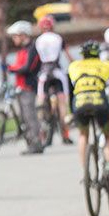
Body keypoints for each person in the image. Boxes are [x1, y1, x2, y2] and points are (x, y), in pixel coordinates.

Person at [67, 40, 109, 185]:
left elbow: (71, 92)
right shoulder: (106, 65)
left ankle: (85, 172)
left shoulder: (73, 66)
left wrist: (71, 111)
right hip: (99, 104)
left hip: (80, 104)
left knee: (83, 135)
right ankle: (108, 167)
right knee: (108, 136)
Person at [5, 20, 43, 154]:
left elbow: (27, 68)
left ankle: (36, 143)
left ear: (23, 35)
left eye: (15, 36)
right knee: (23, 117)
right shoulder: (23, 50)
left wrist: (13, 69)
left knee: (29, 116)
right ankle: (30, 142)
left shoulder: (32, 49)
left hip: (28, 87)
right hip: (20, 87)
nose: (14, 39)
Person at [35, 14, 73, 144]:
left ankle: (41, 130)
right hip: (57, 72)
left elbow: (36, 60)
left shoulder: (38, 40)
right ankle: (66, 133)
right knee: (63, 103)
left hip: (44, 73)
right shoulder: (58, 38)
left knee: (40, 100)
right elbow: (68, 56)